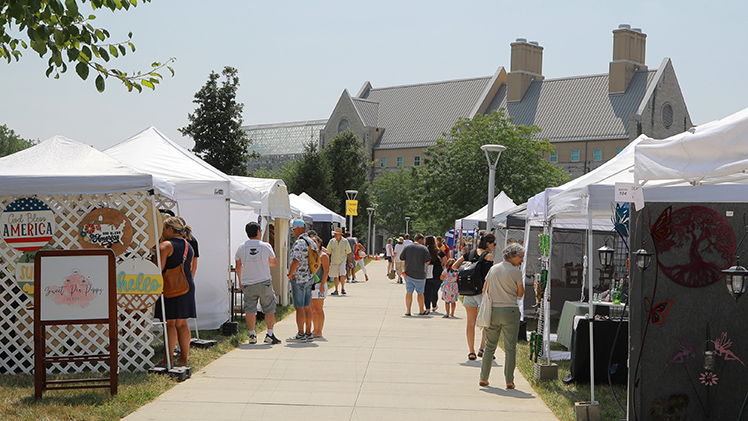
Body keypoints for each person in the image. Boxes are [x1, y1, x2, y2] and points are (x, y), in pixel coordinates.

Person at [479, 243, 525, 389]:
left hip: (493, 310)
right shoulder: (516, 272)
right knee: (510, 347)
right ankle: (509, 380)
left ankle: (483, 377)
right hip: (510, 310)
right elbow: (520, 294)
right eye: (520, 257)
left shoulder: (493, 268)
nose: (521, 261)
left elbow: (485, 289)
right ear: (512, 256)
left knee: (489, 346)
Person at [154, 216, 197, 367]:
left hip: (170, 286)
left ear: (170, 229)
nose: (162, 231)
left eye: (164, 228)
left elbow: (157, 269)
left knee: (170, 323)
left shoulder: (165, 246)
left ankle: (168, 360)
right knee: (182, 323)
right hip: (186, 285)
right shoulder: (188, 245)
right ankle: (184, 358)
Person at [235, 222, 281, 345]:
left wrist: (240, 280)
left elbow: (238, 265)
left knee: (250, 309)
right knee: (269, 308)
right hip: (263, 281)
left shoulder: (241, 247)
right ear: (259, 232)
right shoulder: (266, 246)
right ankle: (269, 334)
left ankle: (252, 334)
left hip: (248, 282)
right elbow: (273, 262)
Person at [452, 233, 496, 361]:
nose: (494, 246)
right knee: (487, 323)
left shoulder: (469, 253)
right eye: (494, 243)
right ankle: (482, 349)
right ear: (488, 243)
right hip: (482, 292)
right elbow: (489, 277)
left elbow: (454, 266)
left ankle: (471, 352)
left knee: (470, 323)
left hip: (468, 292)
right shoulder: (488, 256)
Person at [287, 219, 318, 343]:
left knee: (299, 308)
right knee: (307, 306)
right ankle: (308, 333)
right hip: (309, 278)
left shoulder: (299, 243)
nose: (293, 232)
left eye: (294, 229)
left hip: (299, 278)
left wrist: (290, 274)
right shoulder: (312, 241)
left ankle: (300, 334)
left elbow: (296, 260)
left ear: (299, 228)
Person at [399, 233, 432, 316]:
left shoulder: (407, 247)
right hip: (420, 275)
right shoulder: (424, 249)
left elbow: (401, 258)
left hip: (408, 274)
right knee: (420, 293)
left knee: (409, 292)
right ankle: (421, 310)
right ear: (420, 239)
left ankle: (408, 311)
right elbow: (428, 261)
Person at [310, 235, 330, 338]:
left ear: (319, 243)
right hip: (310, 285)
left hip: (319, 285)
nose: (313, 243)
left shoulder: (323, 256)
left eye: (315, 241)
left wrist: (322, 284)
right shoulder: (310, 254)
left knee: (318, 309)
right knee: (312, 309)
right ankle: (315, 329)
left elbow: (326, 271)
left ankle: (319, 330)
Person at [423, 235, 445, 314]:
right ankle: (434, 305)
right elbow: (445, 261)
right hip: (437, 273)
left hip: (426, 273)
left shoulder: (425, 250)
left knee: (427, 291)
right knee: (434, 291)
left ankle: (427, 308)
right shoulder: (438, 251)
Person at [327, 227, 351, 295]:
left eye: (336, 233)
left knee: (342, 274)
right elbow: (328, 252)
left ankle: (343, 288)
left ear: (340, 234)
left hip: (342, 260)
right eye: (334, 233)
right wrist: (327, 261)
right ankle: (336, 290)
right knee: (335, 276)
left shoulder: (345, 241)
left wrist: (350, 261)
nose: (335, 235)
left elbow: (348, 252)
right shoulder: (332, 241)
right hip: (334, 261)